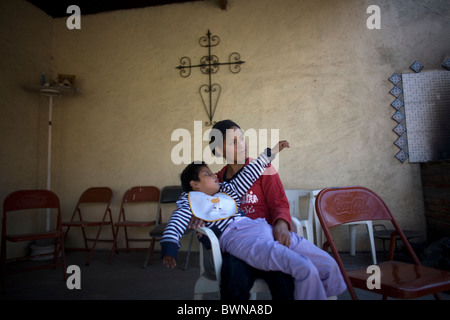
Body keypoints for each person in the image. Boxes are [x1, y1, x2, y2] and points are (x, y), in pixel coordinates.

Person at [161, 142, 346, 300]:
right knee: (303, 268)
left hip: (262, 228)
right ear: (194, 184)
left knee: (327, 264)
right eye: (207, 174)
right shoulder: (189, 202)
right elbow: (176, 223)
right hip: (241, 238)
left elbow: (249, 174)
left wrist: (271, 153)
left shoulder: (227, 190)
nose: (214, 176)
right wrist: (170, 246)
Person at [190, 119, 296, 300]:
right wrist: (199, 218)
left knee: (283, 276)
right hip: (236, 246)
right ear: (219, 150)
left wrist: (281, 223)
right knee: (233, 277)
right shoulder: (218, 181)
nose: (242, 145)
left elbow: (279, 203)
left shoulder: (264, 169)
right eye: (233, 142)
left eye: (242, 138)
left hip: (266, 241)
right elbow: (207, 210)